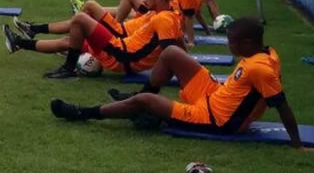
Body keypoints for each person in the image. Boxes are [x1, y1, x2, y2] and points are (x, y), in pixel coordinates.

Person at [49, 18, 311, 150]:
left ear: (246, 44)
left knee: (145, 102)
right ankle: (141, 104)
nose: (229, 44)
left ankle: (83, 112)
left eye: (231, 41)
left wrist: (297, 144)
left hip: (213, 118)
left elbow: (282, 106)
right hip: (215, 95)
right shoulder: (266, 53)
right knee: (172, 54)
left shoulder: (260, 69)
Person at [4, 0, 184, 79]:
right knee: (72, 36)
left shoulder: (164, 18)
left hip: (121, 54)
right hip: (120, 43)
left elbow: (170, 50)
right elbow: (178, 43)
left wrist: (176, 76)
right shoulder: (165, 13)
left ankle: (68, 66)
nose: (144, 0)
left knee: (81, 19)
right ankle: (19, 42)